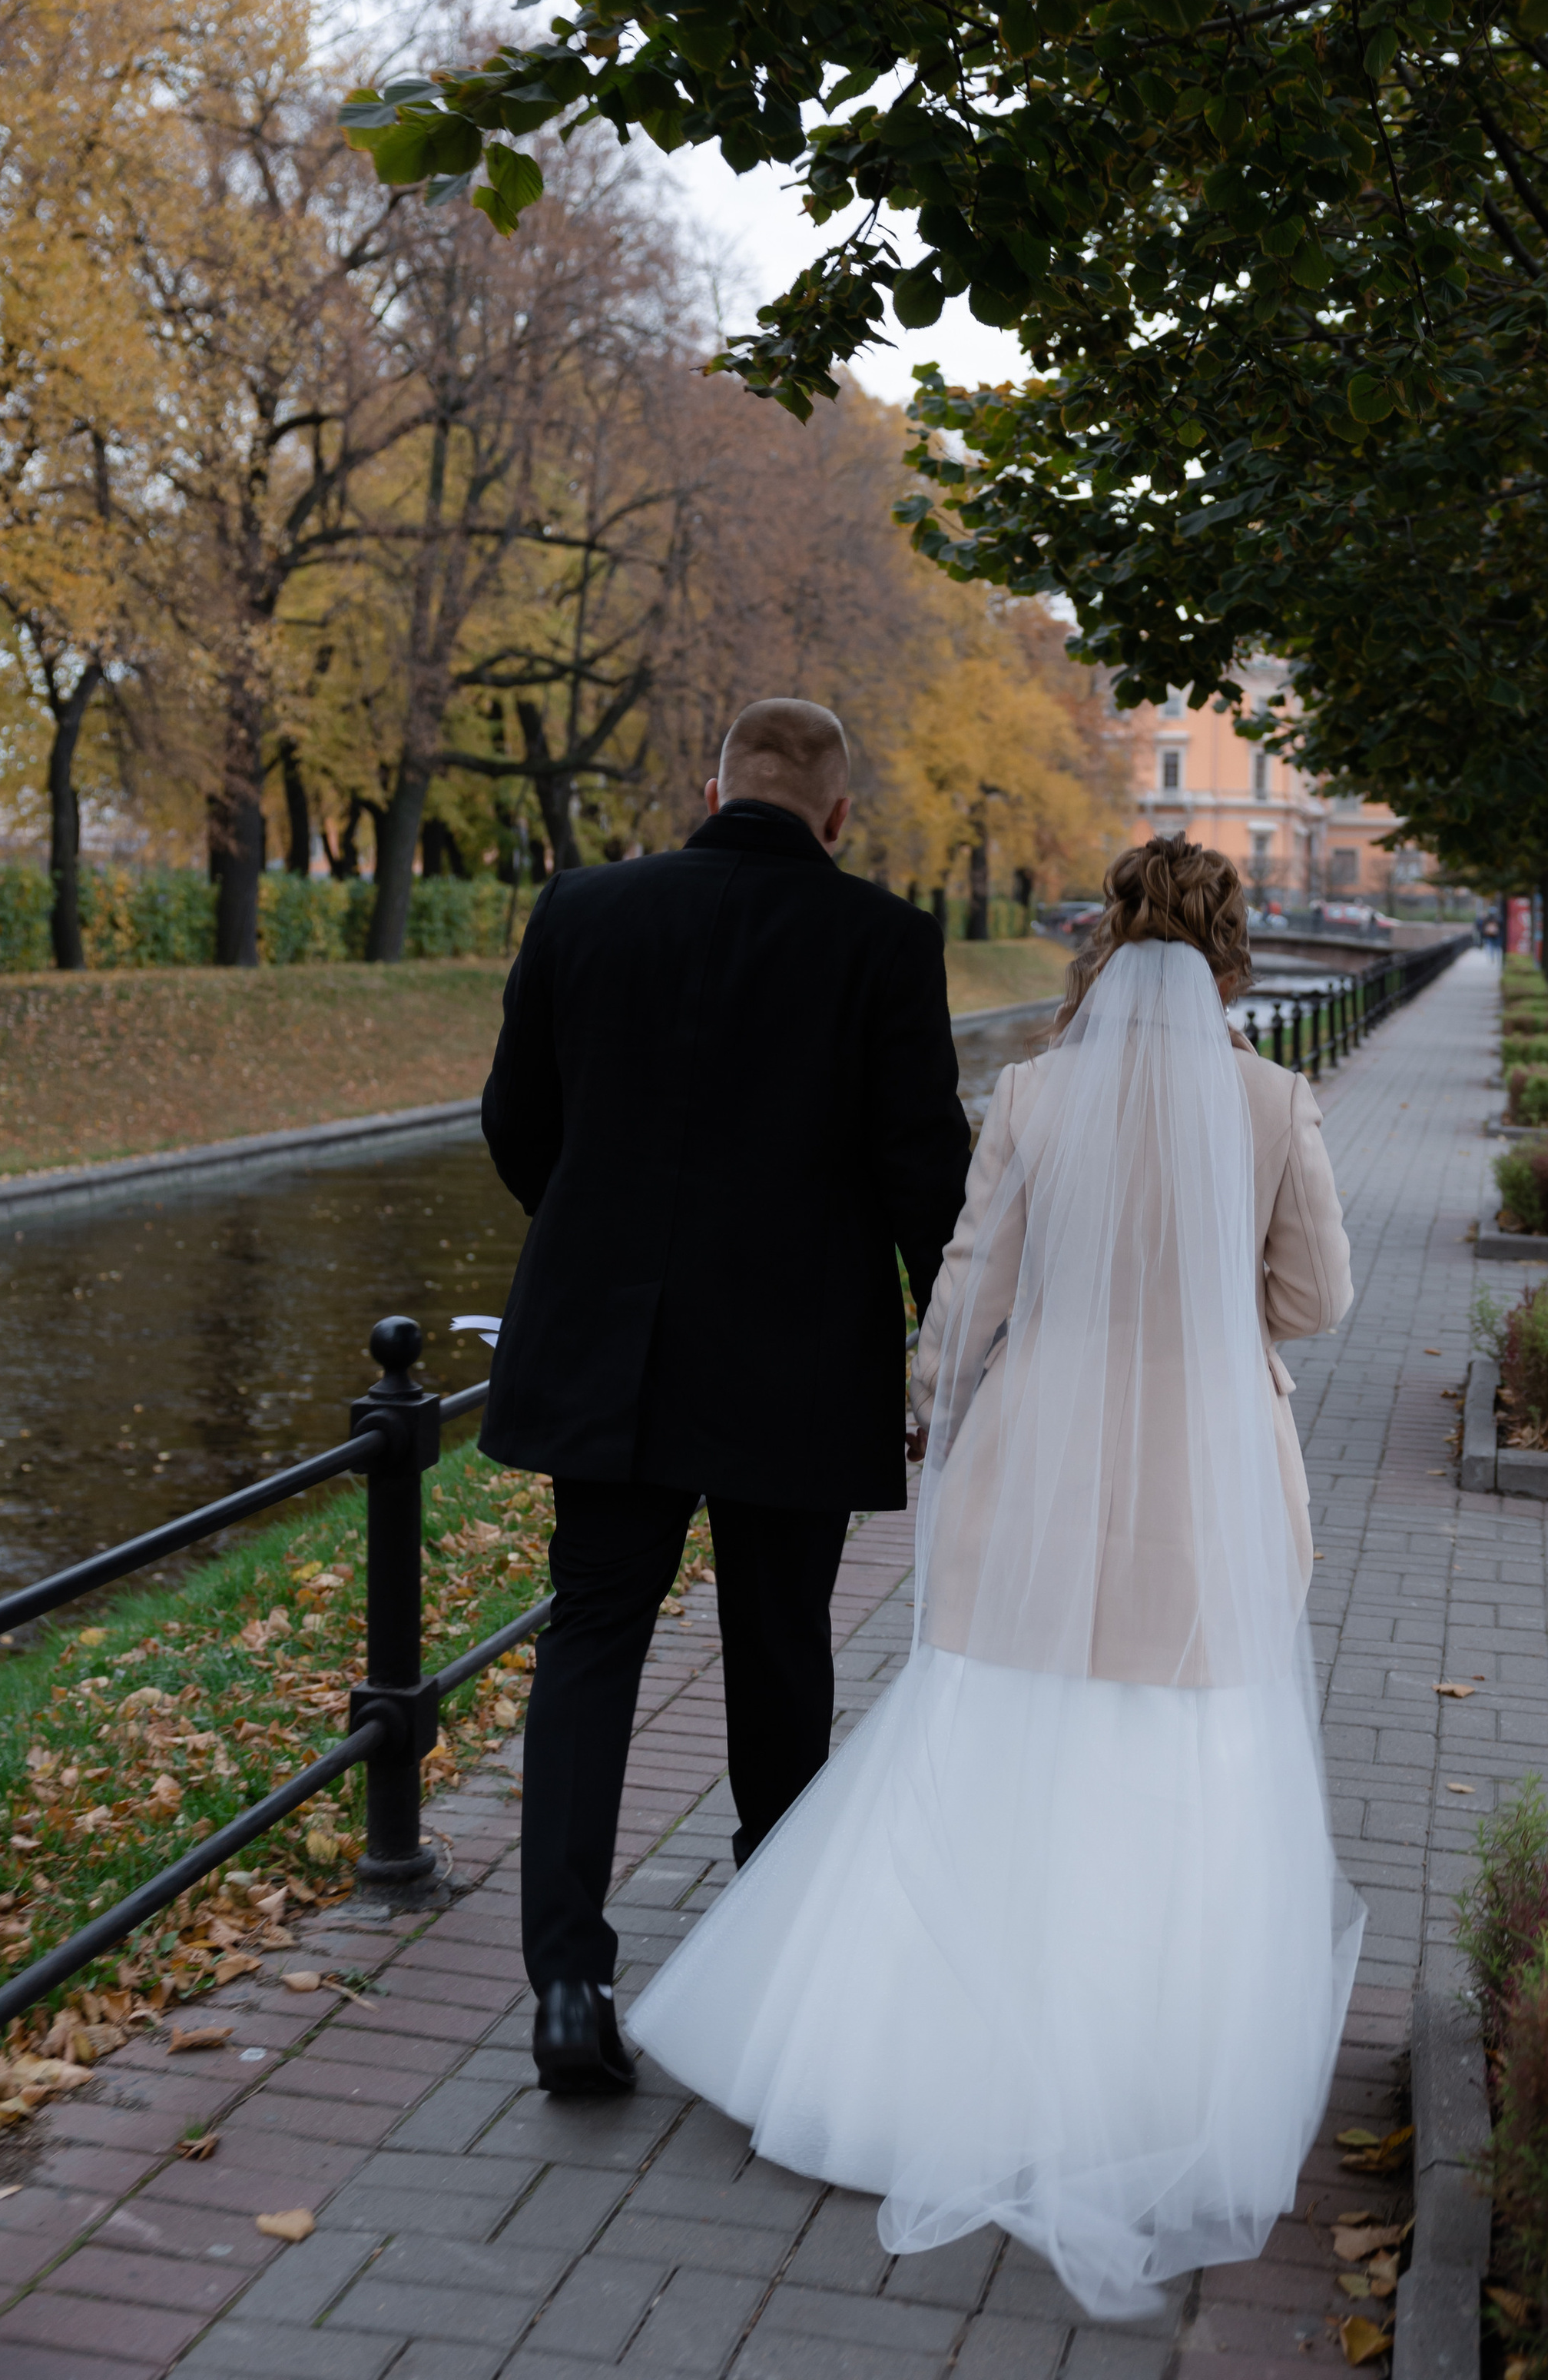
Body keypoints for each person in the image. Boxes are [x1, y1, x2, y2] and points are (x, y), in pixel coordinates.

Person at [628, 835, 1362, 2322]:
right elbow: (1315, 1300)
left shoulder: (1033, 1095)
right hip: (1200, 1482)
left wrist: (927, 1400)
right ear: (1230, 952)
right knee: (1177, 1749)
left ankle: (928, 2063)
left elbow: (969, 1294)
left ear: (1102, 935)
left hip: (1039, 1465)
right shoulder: (1274, 1101)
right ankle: (1150, 2074)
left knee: (1003, 1739)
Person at [479, 698, 971, 2100]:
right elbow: (920, 1172)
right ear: (837, 814)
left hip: (611, 1352)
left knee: (591, 1643)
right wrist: (961, 1336)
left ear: (710, 789)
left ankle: (569, 1983)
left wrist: (601, 1235)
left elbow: (521, 1125)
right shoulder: (883, 939)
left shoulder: (585, 908)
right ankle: (770, 1957)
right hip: (797, 1358)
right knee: (780, 1650)